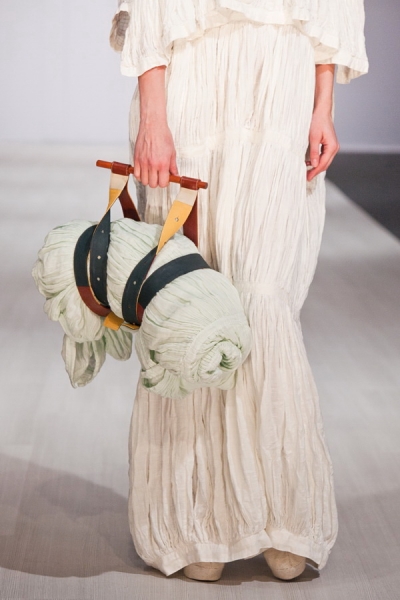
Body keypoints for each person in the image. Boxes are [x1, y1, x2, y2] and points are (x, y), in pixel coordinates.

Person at [110, 0, 368, 582]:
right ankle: (198, 516)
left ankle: (279, 512)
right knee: (194, 294)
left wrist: (323, 106)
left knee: (264, 293)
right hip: (195, 79)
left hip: (281, 83)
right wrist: (153, 116)